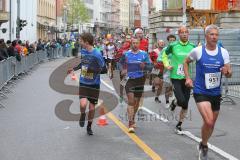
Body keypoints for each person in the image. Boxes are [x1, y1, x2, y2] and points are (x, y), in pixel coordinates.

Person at [184, 24, 232, 160]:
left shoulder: (223, 52)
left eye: (216, 34)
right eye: (212, 34)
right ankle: (204, 147)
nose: (214, 37)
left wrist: (226, 72)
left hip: (216, 92)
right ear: (206, 36)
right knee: (209, 121)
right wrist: (188, 78)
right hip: (201, 91)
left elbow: (229, 73)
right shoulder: (198, 51)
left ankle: (203, 143)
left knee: (211, 124)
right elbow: (185, 62)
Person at [68, 33, 106, 135]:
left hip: (94, 84)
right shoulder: (84, 51)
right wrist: (74, 69)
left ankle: (89, 126)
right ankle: (82, 114)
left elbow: (104, 69)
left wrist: (93, 70)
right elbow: (82, 63)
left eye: (81, 40)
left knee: (92, 107)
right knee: (83, 104)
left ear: (86, 42)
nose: (80, 42)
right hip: (83, 82)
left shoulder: (97, 54)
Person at [165, 26, 195, 134]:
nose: (184, 34)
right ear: (178, 34)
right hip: (175, 77)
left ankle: (179, 124)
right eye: (182, 32)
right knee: (181, 101)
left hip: (187, 78)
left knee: (185, 104)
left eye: (186, 32)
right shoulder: (173, 45)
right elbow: (163, 55)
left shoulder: (193, 46)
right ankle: (175, 101)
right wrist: (167, 64)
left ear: (188, 34)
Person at [119, 37, 152, 133]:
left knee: (137, 102)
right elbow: (119, 64)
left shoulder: (144, 54)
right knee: (131, 101)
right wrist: (122, 70)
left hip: (140, 79)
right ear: (131, 44)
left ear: (139, 44)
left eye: (136, 43)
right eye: (133, 43)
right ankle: (130, 123)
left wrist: (145, 66)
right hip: (129, 80)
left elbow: (150, 66)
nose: (135, 44)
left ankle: (132, 117)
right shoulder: (126, 54)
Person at [160, 34, 177, 106]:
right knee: (167, 88)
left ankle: (173, 99)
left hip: (175, 72)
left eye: (173, 40)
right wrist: (167, 62)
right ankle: (167, 101)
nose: (172, 42)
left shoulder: (177, 49)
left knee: (174, 87)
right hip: (167, 72)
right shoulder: (165, 49)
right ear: (168, 41)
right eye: (171, 40)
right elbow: (159, 58)